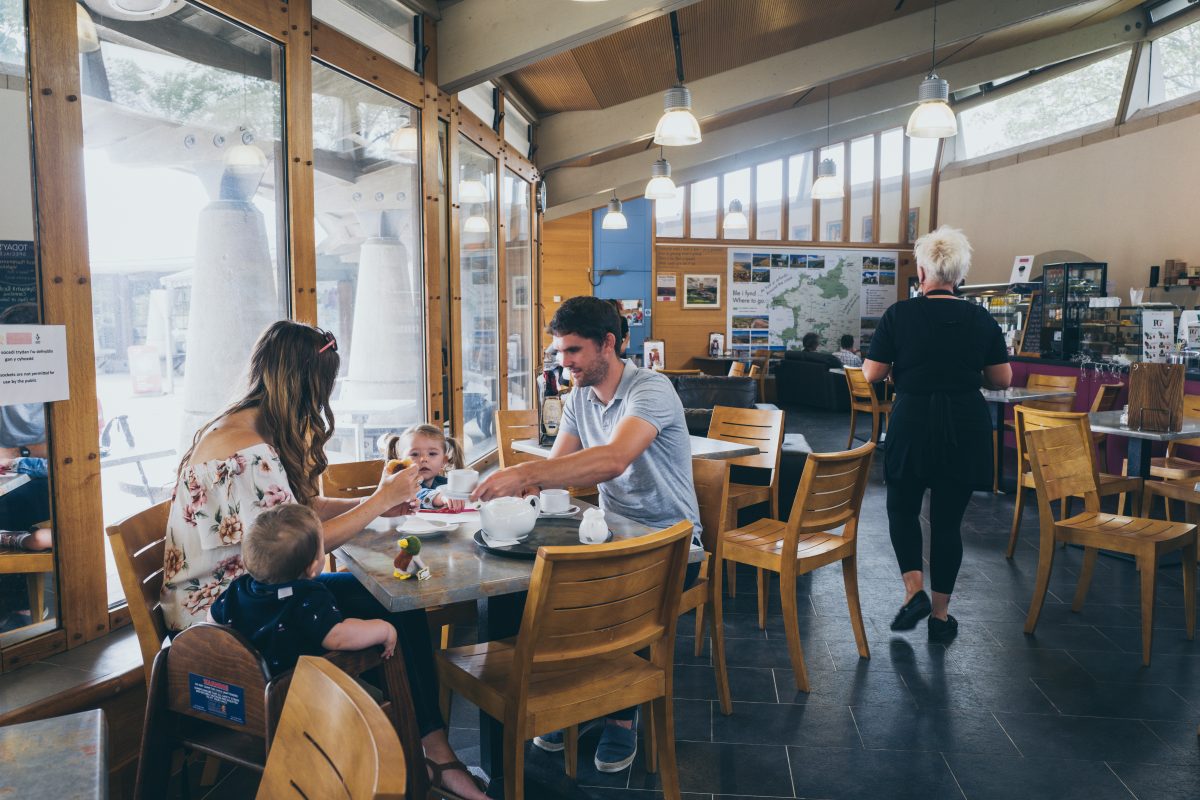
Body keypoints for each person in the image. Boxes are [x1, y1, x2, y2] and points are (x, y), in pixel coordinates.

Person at [164, 320, 487, 799]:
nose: (321, 402)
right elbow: (297, 548)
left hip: (255, 591)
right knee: (392, 600)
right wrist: (379, 502)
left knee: (399, 597)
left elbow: (295, 516)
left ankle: (425, 752)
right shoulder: (247, 450)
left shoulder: (245, 426)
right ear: (306, 382)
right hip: (225, 617)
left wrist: (380, 502)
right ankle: (421, 754)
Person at [473, 295, 700, 774]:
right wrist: (509, 486)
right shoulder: (577, 398)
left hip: (672, 543)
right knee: (547, 591)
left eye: (574, 351)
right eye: (559, 353)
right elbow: (559, 470)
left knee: (593, 596)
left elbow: (614, 458)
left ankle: (620, 718)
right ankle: (564, 701)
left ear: (608, 344)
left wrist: (526, 473)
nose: (565, 363)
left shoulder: (650, 389)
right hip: (614, 535)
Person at [861, 226, 1012, 643]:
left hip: (912, 420)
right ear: (960, 275)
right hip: (965, 422)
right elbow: (1001, 378)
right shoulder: (980, 318)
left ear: (923, 272)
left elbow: (873, 373)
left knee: (902, 509)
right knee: (948, 523)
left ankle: (914, 592)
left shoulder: (900, 314)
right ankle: (941, 617)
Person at [208, 504, 397, 676]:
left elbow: (212, 620)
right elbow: (338, 637)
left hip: (250, 689)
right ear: (313, 567)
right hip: (298, 691)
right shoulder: (309, 596)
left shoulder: (239, 588)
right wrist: (384, 629)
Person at [383, 424, 467, 511]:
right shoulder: (403, 486)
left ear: (444, 461)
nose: (424, 459)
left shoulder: (442, 482)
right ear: (401, 462)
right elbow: (418, 494)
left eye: (432, 454)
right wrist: (441, 497)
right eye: (415, 454)